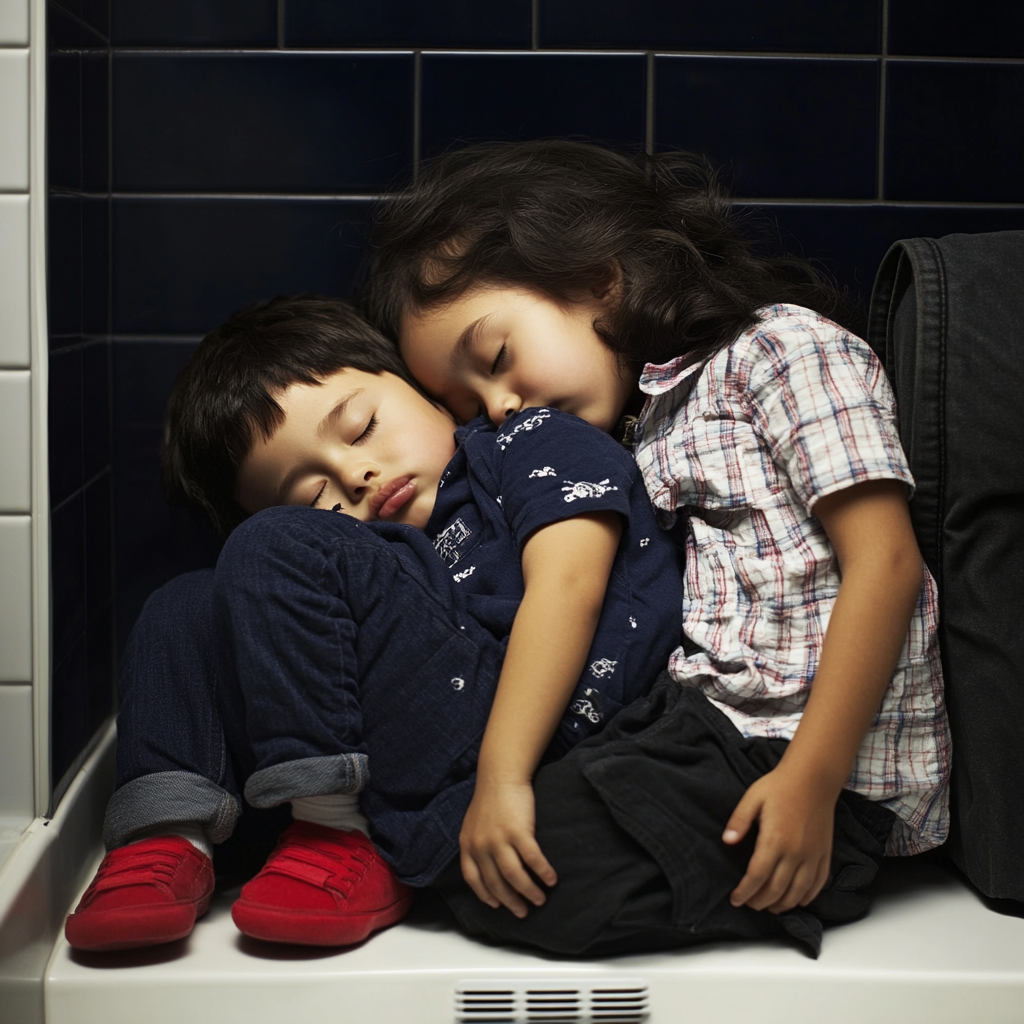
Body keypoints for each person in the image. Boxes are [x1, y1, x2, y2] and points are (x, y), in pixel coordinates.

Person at [362, 140, 951, 956]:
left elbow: (887, 566)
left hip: (814, 760)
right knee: (469, 840)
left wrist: (812, 783)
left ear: (601, 277)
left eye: (496, 359)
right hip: (702, 728)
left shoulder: (783, 350)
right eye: (466, 404)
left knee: (513, 880)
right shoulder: (645, 428)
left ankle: (825, 866)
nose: (499, 408)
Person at [64, 295, 681, 952]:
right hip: (397, 730)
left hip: (522, 717)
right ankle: (167, 839)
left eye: (360, 428)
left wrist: (504, 776)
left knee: (272, 546)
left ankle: (335, 832)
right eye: (312, 498)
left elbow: (570, 584)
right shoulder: (363, 563)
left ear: (430, 396)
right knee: (183, 602)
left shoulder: (524, 443)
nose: (354, 474)